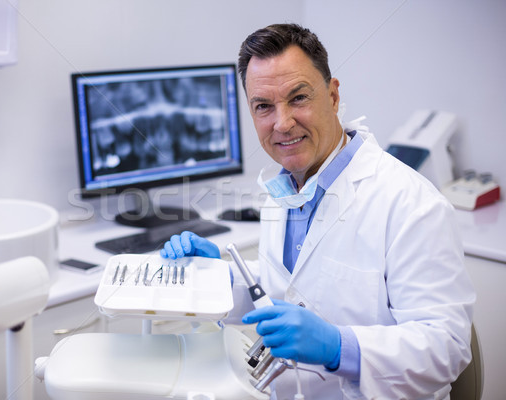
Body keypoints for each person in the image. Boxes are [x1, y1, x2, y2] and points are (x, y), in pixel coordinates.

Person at [161, 23, 475, 400]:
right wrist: (221, 279)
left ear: (333, 94)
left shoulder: (411, 203)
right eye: (264, 106)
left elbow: (447, 348)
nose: (282, 123)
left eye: (298, 98)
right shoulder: (287, 186)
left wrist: (337, 347)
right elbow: (295, 290)